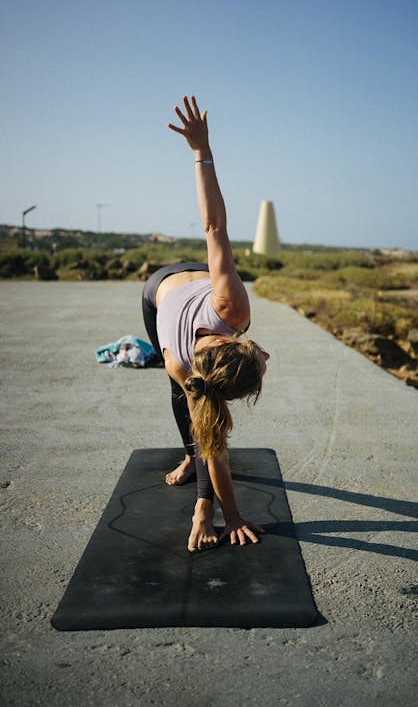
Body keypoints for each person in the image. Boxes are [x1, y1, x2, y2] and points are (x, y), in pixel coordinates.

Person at [142, 95, 269, 553]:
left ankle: (190, 467)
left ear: (232, 342)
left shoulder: (223, 319)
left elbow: (215, 230)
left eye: (259, 353)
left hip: (169, 294)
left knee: (187, 400)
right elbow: (214, 228)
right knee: (190, 408)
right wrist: (202, 150)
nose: (267, 351)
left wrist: (203, 150)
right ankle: (188, 462)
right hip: (166, 285)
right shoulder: (227, 309)